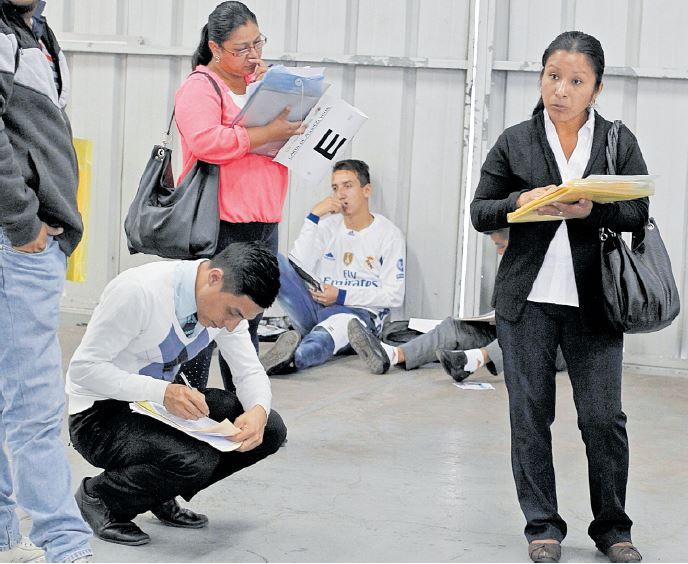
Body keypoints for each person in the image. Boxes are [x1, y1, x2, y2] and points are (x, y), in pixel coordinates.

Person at [470, 31, 647, 564]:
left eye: (576, 81)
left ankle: (613, 528)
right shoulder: (516, 140)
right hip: (526, 304)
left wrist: (591, 210)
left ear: (596, 88)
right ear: (541, 77)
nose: (561, 90)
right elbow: (479, 210)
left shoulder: (617, 140)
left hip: (596, 303)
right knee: (529, 415)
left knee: (602, 419)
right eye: (553, 76)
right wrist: (517, 202)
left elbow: (638, 213)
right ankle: (542, 526)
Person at [66, 242, 287, 547]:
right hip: (99, 417)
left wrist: (258, 410)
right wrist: (162, 391)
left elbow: (248, 371)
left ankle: (157, 491)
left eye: (243, 319)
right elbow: (83, 369)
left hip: (158, 404)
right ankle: (99, 497)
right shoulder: (138, 291)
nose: (232, 324)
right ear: (214, 278)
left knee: (271, 428)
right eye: (233, 312)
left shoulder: (225, 309)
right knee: (196, 459)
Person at [0, 1, 94, 561]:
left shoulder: (34, 31)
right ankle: (65, 543)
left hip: (26, 240)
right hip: (19, 243)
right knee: (34, 401)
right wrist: (23, 221)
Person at [174, 1, 305, 392]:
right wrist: (264, 133)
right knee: (204, 320)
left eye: (257, 44)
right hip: (219, 222)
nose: (253, 56)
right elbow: (205, 142)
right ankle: (189, 409)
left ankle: (245, 405)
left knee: (247, 317)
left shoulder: (260, 85)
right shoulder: (200, 87)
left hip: (263, 219)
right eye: (241, 49)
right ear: (215, 49)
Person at [348, 229, 566, 381]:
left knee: (526, 328)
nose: (499, 252)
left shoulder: (553, 267)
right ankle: (394, 356)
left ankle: (471, 360)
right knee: (453, 327)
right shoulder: (513, 270)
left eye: (501, 246)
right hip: (506, 335)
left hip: (554, 346)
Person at [259, 159, 406, 374]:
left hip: (358, 318)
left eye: (348, 186)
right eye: (335, 188)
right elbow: (298, 265)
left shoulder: (388, 234)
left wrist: (342, 296)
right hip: (316, 308)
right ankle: (235, 328)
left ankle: (292, 360)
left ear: (366, 190)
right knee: (274, 262)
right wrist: (313, 217)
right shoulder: (328, 227)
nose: (341, 194)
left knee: (326, 333)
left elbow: (394, 295)